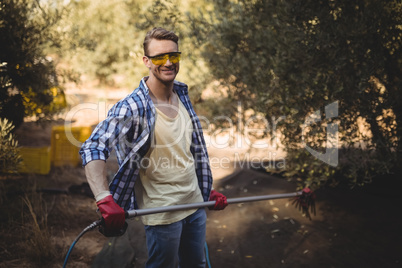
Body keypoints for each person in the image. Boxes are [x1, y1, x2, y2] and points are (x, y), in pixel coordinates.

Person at [79, 27, 228, 268]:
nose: (168, 62)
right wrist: (104, 198)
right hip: (162, 214)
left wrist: (205, 190)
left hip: (195, 205)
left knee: (197, 265)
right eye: (159, 57)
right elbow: (93, 147)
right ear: (146, 61)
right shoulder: (131, 107)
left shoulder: (182, 94)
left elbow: (186, 152)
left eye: (174, 56)